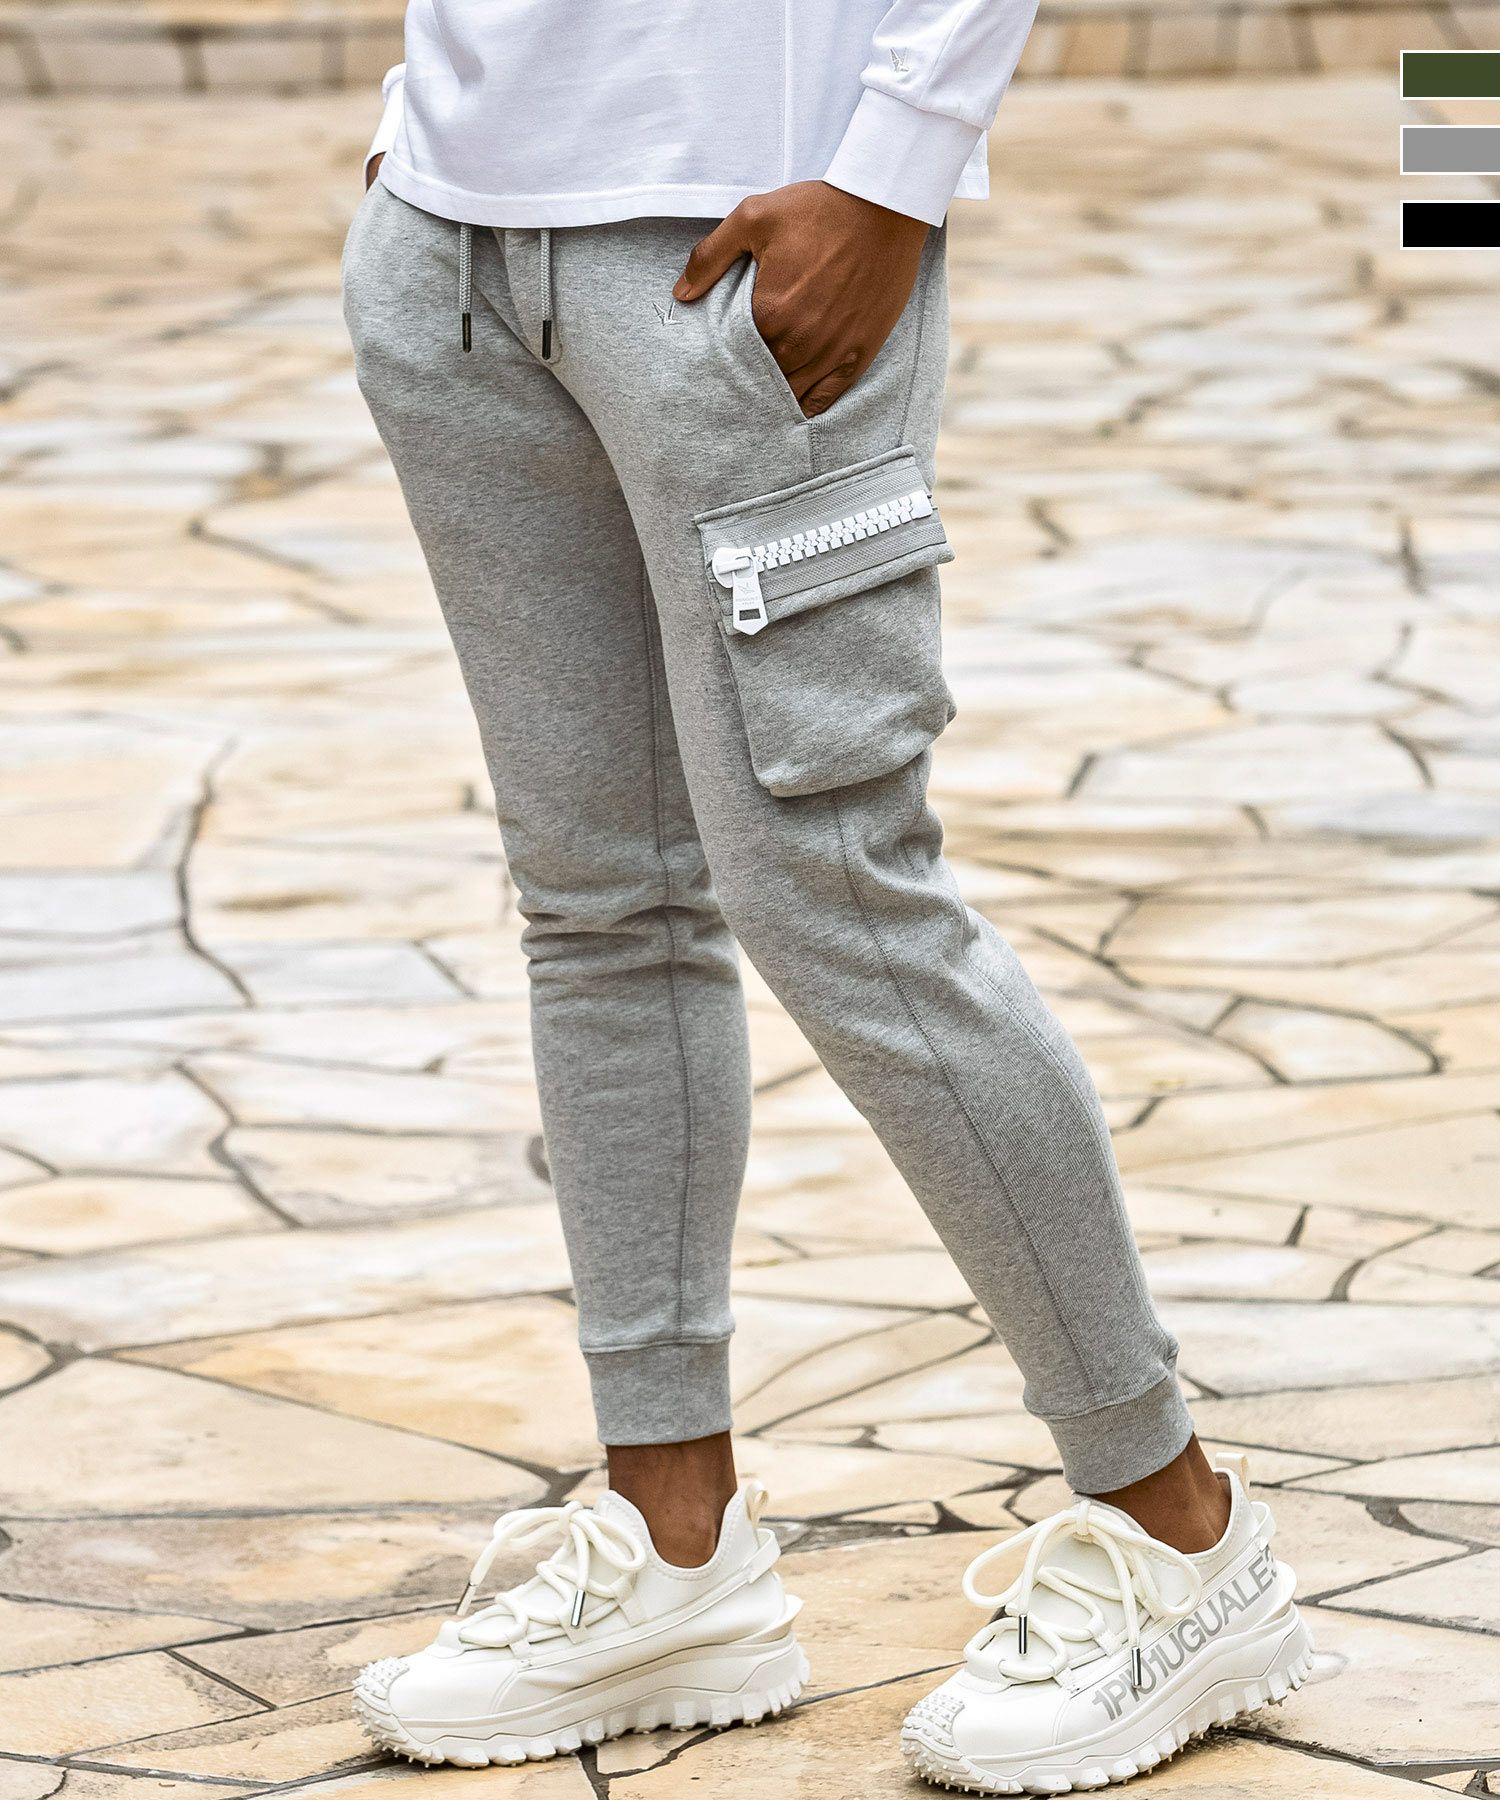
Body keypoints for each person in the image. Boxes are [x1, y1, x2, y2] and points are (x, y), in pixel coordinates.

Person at [340, 3, 1311, 1789]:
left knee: (847, 898)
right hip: (454, 244)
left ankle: (1183, 1537)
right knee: (600, 906)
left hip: (748, 246)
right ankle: (676, 1552)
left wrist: (895, 169)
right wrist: (427, 149)